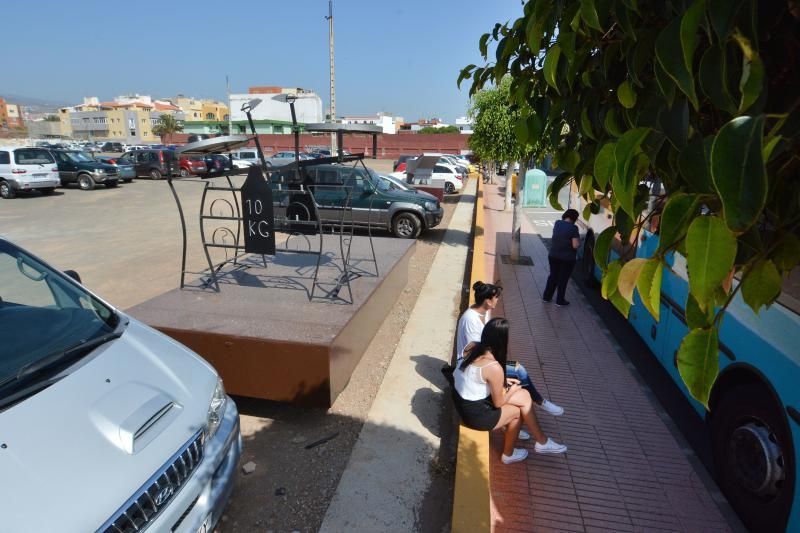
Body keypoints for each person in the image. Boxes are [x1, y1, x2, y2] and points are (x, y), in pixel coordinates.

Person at [453, 318, 567, 463]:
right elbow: (499, 403)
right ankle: (509, 454)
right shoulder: (493, 366)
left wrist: (503, 382)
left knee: (525, 395)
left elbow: (474, 376)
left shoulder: (472, 346)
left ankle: (541, 442)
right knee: (517, 412)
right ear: (502, 340)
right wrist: (511, 390)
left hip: (463, 402)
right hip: (475, 415)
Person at [456, 281, 564, 424]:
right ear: (488, 301)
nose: (497, 300)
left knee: (517, 369)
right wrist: (498, 373)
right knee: (518, 370)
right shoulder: (471, 321)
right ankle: (538, 401)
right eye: (496, 298)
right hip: (475, 363)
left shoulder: (481, 314)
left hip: (482, 361)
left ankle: (532, 404)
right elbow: (477, 352)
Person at [543, 209, 581, 306]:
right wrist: (579, 242)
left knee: (553, 276)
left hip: (553, 255)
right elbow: (575, 245)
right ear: (574, 218)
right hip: (567, 258)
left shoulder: (557, 223)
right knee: (563, 279)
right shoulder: (574, 228)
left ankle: (546, 297)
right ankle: (560, 301)